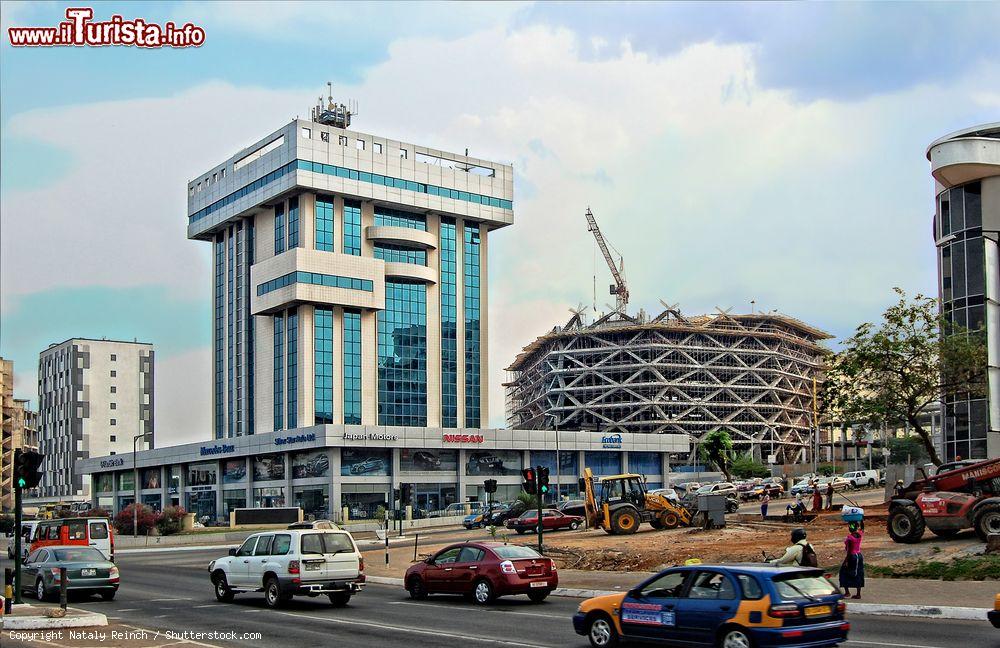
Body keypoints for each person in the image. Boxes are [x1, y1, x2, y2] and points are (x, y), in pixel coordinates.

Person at [839, 521, 865, 599]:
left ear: (850, 528)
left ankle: (847, 592)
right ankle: (858, 594)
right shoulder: (859, 534)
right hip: (859, 556)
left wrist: (846, 561)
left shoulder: (850, 537)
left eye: (849, 527)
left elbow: (849, 551)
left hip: (852, 557)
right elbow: (863, 528)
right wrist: (861, 519)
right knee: (859, 573)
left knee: (843, 572)